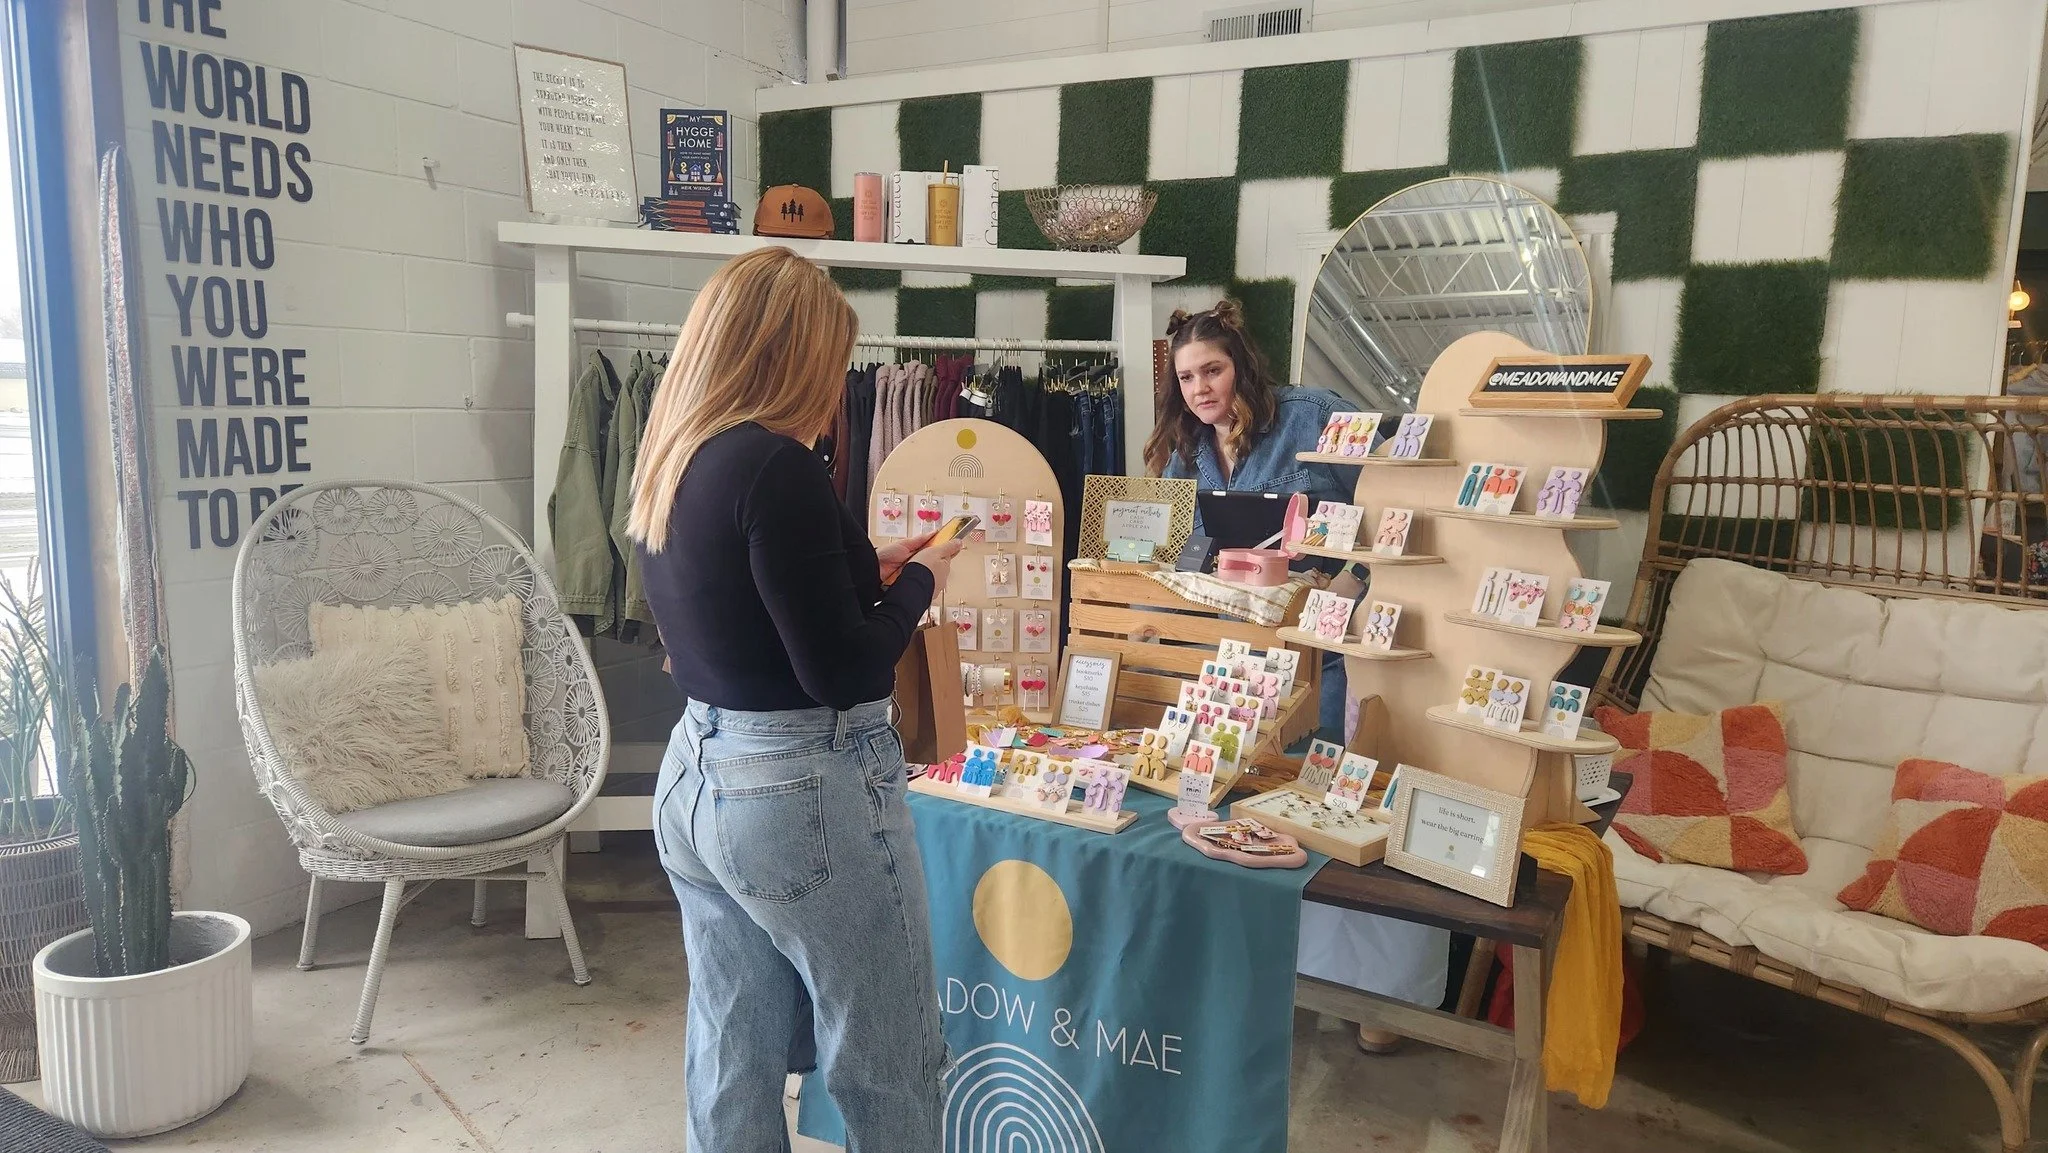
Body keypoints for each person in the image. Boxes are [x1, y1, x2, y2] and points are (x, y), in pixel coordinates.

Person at [628, 246, 967, 1152]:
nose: (834, 387)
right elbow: (846, 671)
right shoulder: (778, 468)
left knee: (730, 1046)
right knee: (889, 1058)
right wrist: (924, 580)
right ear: (788, 354)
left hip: (697, 776)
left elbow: (747, 604)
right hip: (800, 792)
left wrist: (872, 571)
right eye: (829, 364)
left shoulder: (676, 455)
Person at [1145, 300, 1449, 1054]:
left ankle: (1370, 998)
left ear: (1242, 363)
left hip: (1335, 647)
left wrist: (1351, 574)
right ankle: (1265, 977)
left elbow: (1392, 493)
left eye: (1212, 369)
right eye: (1186, 377)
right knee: (1250, 800)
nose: (1201, 388)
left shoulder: (1315, 415)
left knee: (1335, 800)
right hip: (1243, 650)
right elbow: (1187, 545)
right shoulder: (1186, 446)